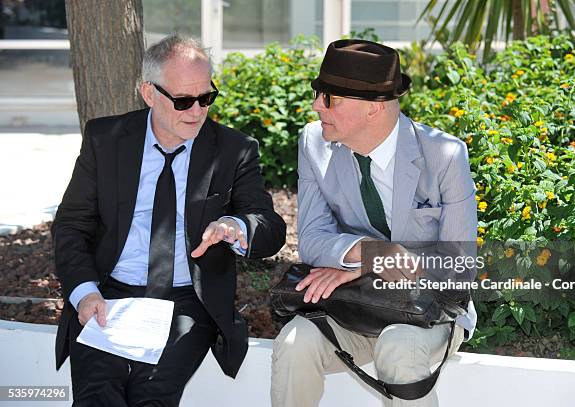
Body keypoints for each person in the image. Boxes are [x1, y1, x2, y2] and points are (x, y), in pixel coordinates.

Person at [53, 34, 286, 407]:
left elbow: (270, 226)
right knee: (97, 396)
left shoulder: (233, 150)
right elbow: (71, 225)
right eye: (183, 100)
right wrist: (85, 293)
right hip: (108, 295)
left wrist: (236, 226)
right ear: (149, 93)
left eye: (206, 97)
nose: (197, 111)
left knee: (152, 396)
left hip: (186, 301)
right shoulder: (106, 139)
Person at [271, 39, 477, 407]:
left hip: (428, 312)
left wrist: (367, 263)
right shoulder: (313, 143)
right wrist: (370, 254)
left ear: (375, 108)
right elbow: (313, 239)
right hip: (354, 308)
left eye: (330, 98)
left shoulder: (445, 155)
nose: (317, 105)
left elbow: (457, 266)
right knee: (294, 341)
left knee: (398, 348)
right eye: (318, 92)